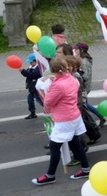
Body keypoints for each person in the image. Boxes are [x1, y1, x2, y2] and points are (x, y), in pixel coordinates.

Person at [31, 57, 91, 185]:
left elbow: (48, 102)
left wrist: (47, 83)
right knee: (75, 143)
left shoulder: (57, 85)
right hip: (74, 116)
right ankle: (85, 168)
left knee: (54, 147)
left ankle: (50, 175)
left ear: (52, 71)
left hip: (64, 119)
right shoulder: (72, 79)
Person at [73, 42, 107, 128]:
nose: (75, 51)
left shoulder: (84, 61)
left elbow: (86, 76)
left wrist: (77, 74)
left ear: (81, 50)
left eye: (76, 49)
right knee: (85, 104)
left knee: (85, 105)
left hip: (84, 86)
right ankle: (100, 117)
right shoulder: (82, 59)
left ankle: (94, 123)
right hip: (83, 86)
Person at [20, 53, 42, 120]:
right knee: (30, 100)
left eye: (31, 61)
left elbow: (32, 75)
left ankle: (50, 108)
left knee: (40, 100)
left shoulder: (38, 68)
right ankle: (32, 113)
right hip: (31, 87)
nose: (30, 63)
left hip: (36, 88)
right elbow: (27, 74)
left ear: (36, 61)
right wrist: (23, 71)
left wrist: (22, 71)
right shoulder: (31, 67)